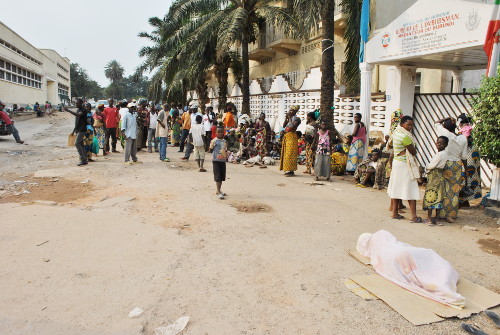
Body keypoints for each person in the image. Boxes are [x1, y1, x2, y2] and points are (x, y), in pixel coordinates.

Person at [356, 230, 465, 308]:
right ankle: (444, 276)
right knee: (429, 258)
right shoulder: (381, 234)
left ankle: (443, 287)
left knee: (415, 274)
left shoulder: (376, 252)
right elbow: (398, 242)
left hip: (395, 257)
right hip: (404, 251)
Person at [387, 116, 422, 222]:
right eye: (408, 125)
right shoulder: (405, 137)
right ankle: (414, 216)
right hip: (404, 165)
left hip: (397, 163)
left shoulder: (395, 134)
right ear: (402, 124)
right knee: (411, 189)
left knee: (396, 188)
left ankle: (394, 213)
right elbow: (414, 152)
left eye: (412, 125)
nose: (410, 127)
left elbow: (393, 147)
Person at [434, 117, 468, 222]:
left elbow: (436, 123)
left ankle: (441, 213)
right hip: (457, 165)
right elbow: (464, 157)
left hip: (446, 163)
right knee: (454, 190)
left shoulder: (446, 134)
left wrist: (448, 118)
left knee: (443, 188)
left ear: (445, 127)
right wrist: (466, 170)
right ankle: (451, 214)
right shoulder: (463, 138)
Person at [423, 136, 449, 226]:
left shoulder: (440, 154)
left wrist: (425, 168)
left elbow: (431, 166)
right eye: (438, 142)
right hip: (440, 177)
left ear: (446, 145)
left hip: (434, 177)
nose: (439, 144)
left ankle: (429, 219)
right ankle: (437, 219)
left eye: (442, 143)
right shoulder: (444, 154)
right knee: (439, 197)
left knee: (431, 196)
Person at [457, 115, 482, 207]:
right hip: (472, 154)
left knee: (465, 176)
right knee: (471, 176)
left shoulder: (465, 129)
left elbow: (465, 142)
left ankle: (462, 199)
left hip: (468, 154)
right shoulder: (469, 128)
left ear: (460, 123)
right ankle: (465, 200)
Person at [64, 99, 88, 166]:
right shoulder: (78, 110)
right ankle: (85, 159)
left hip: (82, 129)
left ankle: (83, 159)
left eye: (77, 103)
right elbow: (77, 122)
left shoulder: (83, 110)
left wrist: (68, 110)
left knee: (77, 143)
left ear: (81, 103)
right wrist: (73, 131)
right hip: (78, 129)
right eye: (76, 103)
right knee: (81, 144)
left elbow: (78, 115)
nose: (76, 104)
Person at [280, 105, 301, 176]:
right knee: (286, 154)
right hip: (287, 137)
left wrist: (289, 118)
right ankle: (287, 169)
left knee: (290, 154)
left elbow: (292, 127)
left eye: (292, 110)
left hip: (292, 137)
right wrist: (286, 118)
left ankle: (291, 171)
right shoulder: (289, 119)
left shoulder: (297, 119)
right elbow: (283, 126)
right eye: (290, 110)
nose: (290, 111)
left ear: (295, 111)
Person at [209, 127, 228, 199]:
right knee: (217, 176)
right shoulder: (214, 141)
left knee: (222, 176)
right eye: (218, 132)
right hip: (216, 160)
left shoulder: (224, 141)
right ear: (216, 133)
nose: (220, 133)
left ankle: (219, 190)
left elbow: (225, 149)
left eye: (221, 132)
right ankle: (218, 191)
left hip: (222, 161)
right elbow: (210, 149)